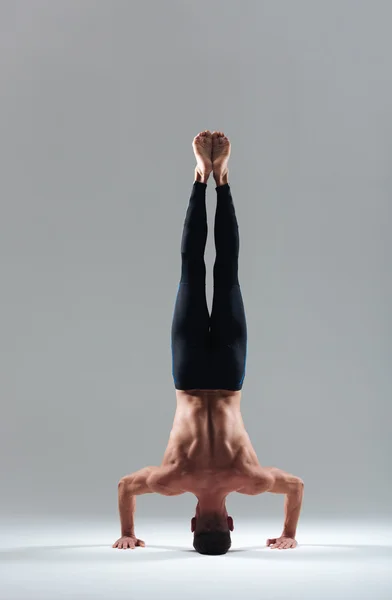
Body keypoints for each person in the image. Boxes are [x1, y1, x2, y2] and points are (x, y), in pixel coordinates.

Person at [113, 131, 304, 555]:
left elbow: (296, 487)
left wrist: (289, 532)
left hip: (230, 372)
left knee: (227, 273)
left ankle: (220, 180)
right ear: (194, 523)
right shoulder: (171, 478)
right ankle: (202, 178)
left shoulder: (249, 478)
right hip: (190, 370)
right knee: (192, 272)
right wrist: (127, 530)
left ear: (231, 523)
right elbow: (126, 487)